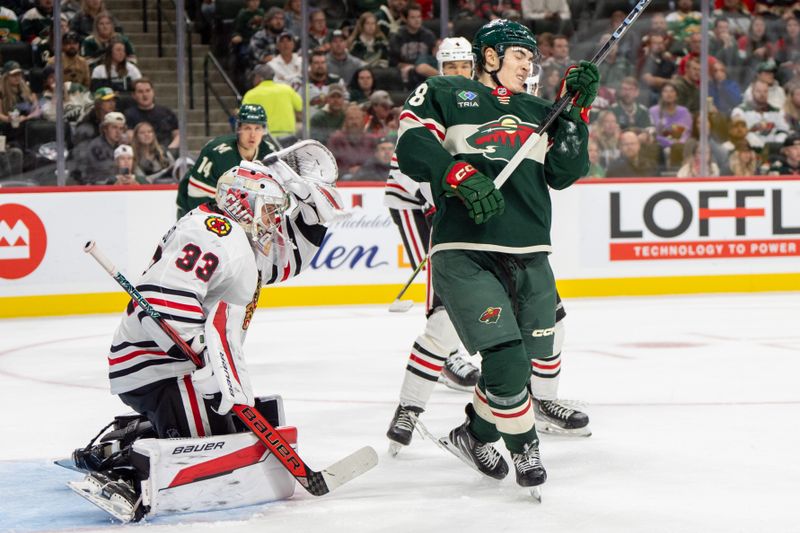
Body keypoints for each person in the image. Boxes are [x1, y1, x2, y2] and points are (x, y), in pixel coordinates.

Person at [67, 143, 343, 522]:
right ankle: (122, 473)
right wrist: (201, 354)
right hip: (158, 363)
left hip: (184, 366)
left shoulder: (242, 237)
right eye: (271, 212)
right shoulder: (212, 232)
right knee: (207, 444)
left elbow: (285, 259)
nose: (275, 221)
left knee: (228, 429)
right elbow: (165, 294)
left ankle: (129, 435)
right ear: (244, 204)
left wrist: (313, 218)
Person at [394, 19, 596, 491]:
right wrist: (456, 174)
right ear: (489, 57)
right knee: (504, 359)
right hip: (464, 251)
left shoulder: (539, 109)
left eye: (532, 57)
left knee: (528, 359)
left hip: (530, 253)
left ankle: (475, 433)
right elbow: (411, 144)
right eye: (519, 54)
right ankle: (525, 449)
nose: (529, 64)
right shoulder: (445, 91)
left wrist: (575, 113)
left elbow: (567, 170)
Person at [385, 37, 483, 456]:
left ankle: (445, 349)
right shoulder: (431, 100)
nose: (460, 73)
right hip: (414, 202)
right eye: (453, 66)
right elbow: (417, 167)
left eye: (466, 66)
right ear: (440, 67)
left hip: (445, 199)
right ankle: (445, 354)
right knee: (440, 279)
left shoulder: (475, 100)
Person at [176, 104, 279, 217]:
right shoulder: (216, 153)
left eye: (257, 128)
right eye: (247, 128)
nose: (253, 135)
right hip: (190, 211)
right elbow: (197, 197)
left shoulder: (270, 153)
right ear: (238, 128)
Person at [242, 63, 302, 141]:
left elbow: (244, 116)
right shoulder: (287, 89)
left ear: (260, 78)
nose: (253, 79)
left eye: (254, 77)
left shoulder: (251, 94)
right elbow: (300, 107)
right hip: (288, 135)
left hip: (265, 136)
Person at [123, 79, 180, 152]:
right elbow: (130, 136)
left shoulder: (167, 112)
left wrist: (169, 150)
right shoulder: (129, 114)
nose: (145, 95)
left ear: (153, 92)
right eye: (140, 92)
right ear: (134, 95)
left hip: (167, 151)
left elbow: (178, 135)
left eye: (148, 91)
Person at [73, 110, 125, 184]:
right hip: (95, 186)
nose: (118, 132)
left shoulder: (121, 145)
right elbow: (105, 172)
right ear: (105, 129)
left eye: (121, 128)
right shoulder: (96, 147)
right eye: (114, 127)